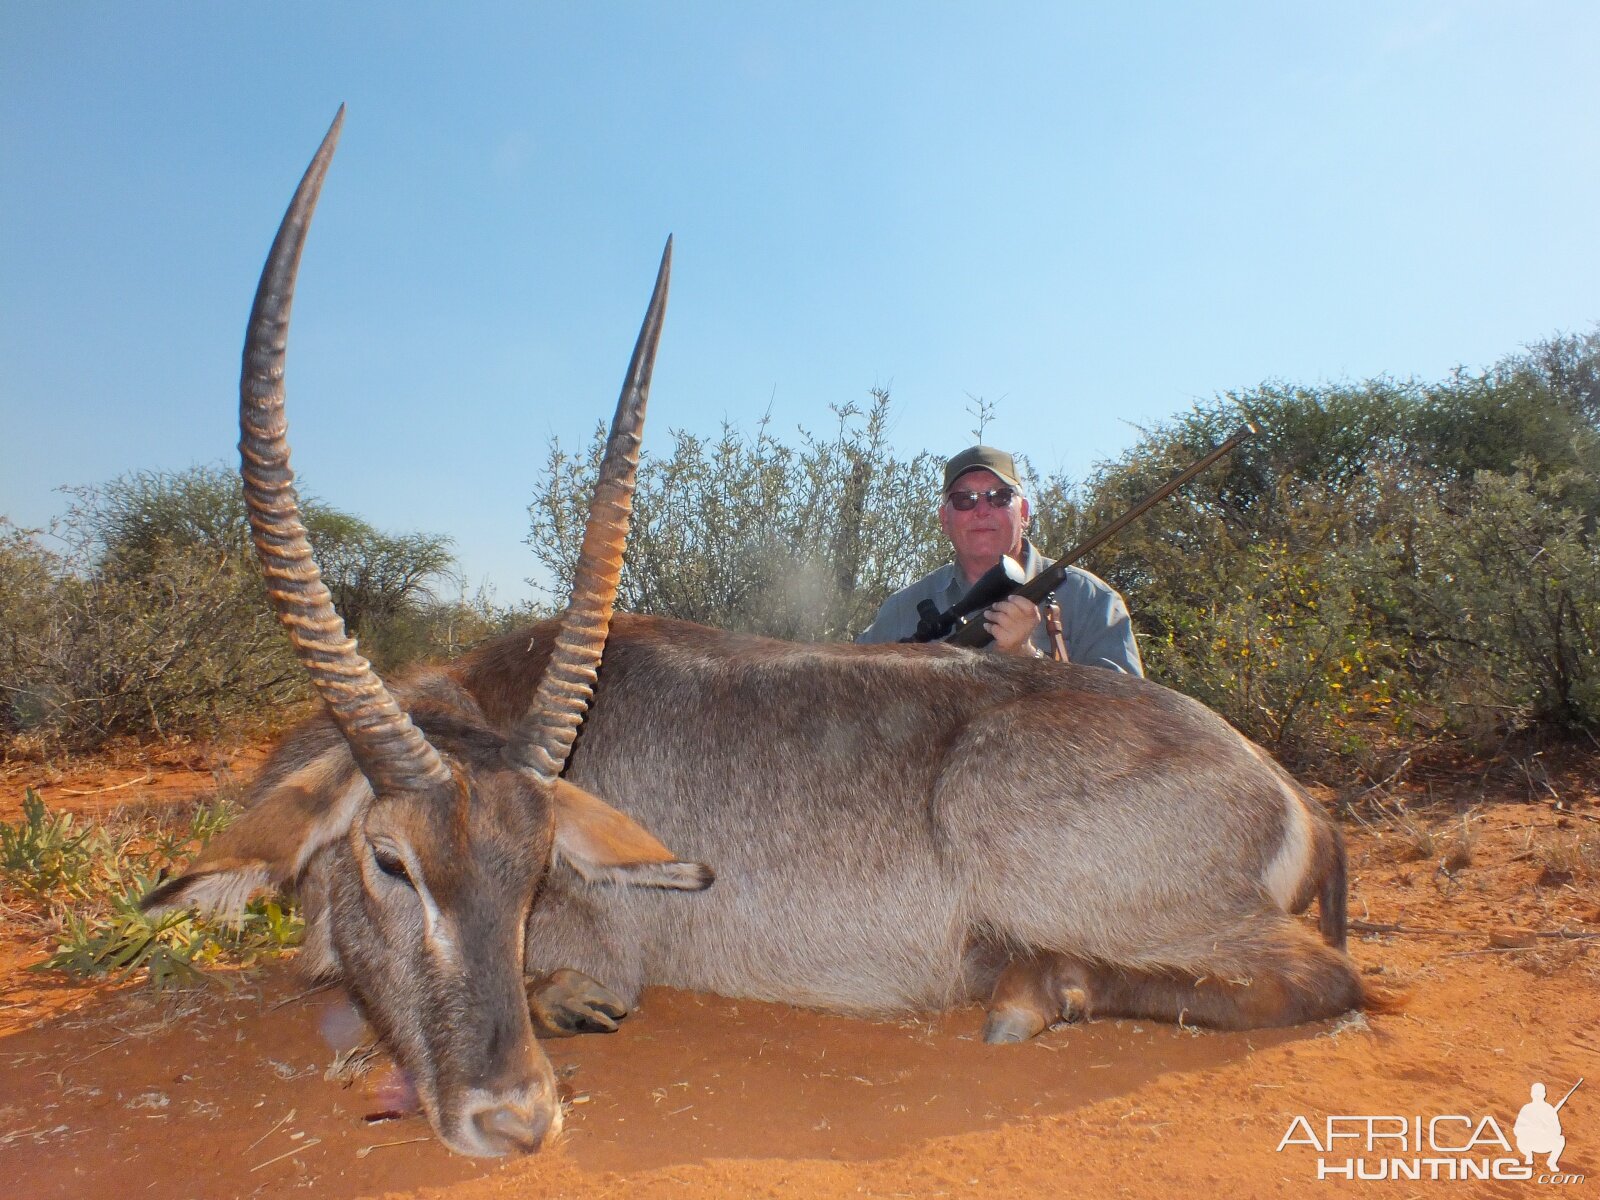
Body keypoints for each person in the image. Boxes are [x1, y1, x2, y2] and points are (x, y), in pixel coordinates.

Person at [857, 445, 1143, 674]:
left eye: (999, 497)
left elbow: (1128, 723)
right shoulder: (899, 612)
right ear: (944, 519)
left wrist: (1027, 658)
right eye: (964, 499)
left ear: (1025, 513)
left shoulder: (1093, 602)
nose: (982, 510)